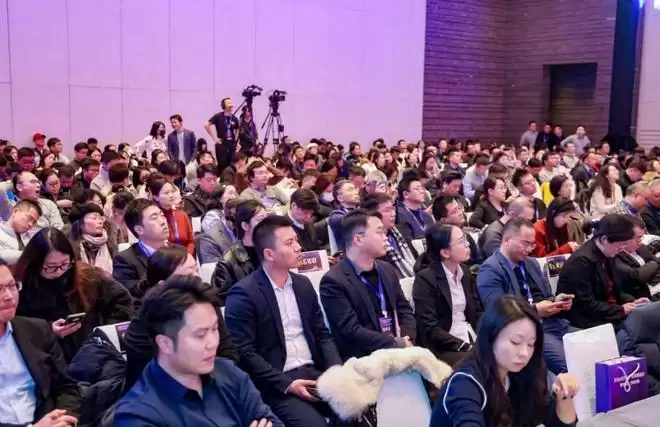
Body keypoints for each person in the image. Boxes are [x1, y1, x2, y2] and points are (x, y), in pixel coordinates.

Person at [114, 276, 283, 427]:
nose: (213, 343)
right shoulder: (137, 415)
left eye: (215, 329)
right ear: (165, 343)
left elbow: (272, 421)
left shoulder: (229, 372)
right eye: (200, 335)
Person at [225, 215, 341, 427]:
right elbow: (245, 352)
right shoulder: (243, 294)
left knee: (358, 409)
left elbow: (322, 334)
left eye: (296, 240)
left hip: (314, 371)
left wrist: (336, 370)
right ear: (269, 254)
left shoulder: (303, 284)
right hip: (277, 381)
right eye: (289, 243)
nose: (298, 247)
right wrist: (287, 384)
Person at [430, 296, 579, 427]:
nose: (524, 353)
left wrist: (564, 395)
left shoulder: (525, 372)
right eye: (515, 342)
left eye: (531, 344)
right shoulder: (465, 383)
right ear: (491, 337)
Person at [123, 245, 238, 389]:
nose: (197, 278)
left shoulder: (205, 303)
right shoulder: (143, 323)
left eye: (196, 270)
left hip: (216, 383)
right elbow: (148, 376)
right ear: (162, 285)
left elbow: (228, 351)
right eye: (189, 274)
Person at [14, 227, 132, 362]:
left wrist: (105, 332)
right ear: (35, 264)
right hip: (49, 360)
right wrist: (48, 332)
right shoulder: (18, 288)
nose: (59, 271)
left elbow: (120, 298)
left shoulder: (86, 277)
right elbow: (15, 329)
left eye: (64, 264)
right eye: (51, 267)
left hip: (94, 355)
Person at [477, 219, 576, 375]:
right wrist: (535, 310)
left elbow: (546, 296)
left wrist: (555, 302)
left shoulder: (531, 263)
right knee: (571, 367)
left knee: (598, 351)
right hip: (529, 333)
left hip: (555, 324)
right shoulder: (491, 270)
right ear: (507, 240)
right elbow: (497, 312)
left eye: (532, 245)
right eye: (525, 244)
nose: (529, 249)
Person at [320, 210, 416, 360]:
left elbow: (404, 309)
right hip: (365, 359)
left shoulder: (386, 269)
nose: (386, 238)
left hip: (400, 350)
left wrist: (407, 338)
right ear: (358, 239)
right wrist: (396, 343)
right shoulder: (333, 281)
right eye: (379, 232)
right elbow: (351, 330)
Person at [0, 258, 81, 427]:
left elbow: (66, 387)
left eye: (12, 286)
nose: (9, 296)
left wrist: (65, 420)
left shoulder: (37, 330)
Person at [556, 215, 651, 330]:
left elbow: (614, 290)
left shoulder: (608, 252)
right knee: (643, 328)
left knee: (650, 317)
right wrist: (621, 309)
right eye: (621, 244)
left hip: (606, 311)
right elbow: (586, 304)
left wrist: (632, 303)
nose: (622, 248)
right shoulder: (581, 262)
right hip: (586, 320)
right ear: (604, 239)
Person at [413, 224, 482, 366]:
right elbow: (430, 328)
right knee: (477, 362)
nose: (468, 244)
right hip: (443, 345)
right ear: (445, 252)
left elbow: (477, 311)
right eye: (461, 241)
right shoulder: (425, 279)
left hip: (469, 334)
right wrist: (464, 346)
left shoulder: (465, 272)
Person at [212, 200, 268, 302]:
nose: (267, 224)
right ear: (245, 226)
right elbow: (222, 300)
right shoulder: (227, 262)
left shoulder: (272, 249)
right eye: (260, 220)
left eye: (267, 218)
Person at [113, 199, 170, 291]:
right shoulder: (124, 260)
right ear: (139, 230)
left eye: (162, 215)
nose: (163, 221)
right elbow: (132, 294)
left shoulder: (178, 251)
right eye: (154, 218)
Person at [362, 192, 418, 278]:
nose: (393, 214)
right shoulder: (371, 242)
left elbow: (416, 258)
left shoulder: (401, 230)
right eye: (387, 210)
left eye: (392, 209)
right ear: (373, 215)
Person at [613, 219, 660, 301]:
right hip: (642, 297)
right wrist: (653, 263)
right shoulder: (615, 256)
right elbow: (638, 276)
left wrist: (652, 265)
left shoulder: (640, 246)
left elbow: (655, 261)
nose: (641, 240)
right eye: (638, 237)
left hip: (654, 284)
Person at [66, 202, 117, 277]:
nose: (100, 222)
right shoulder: (70, 246)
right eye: (94, 218)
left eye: (101, 218)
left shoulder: (110, 243)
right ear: (80, 224)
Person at [431, 196, 481, 266]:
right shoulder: (439, 242)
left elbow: (479, 260)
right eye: (454, 211)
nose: (460, 212)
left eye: (459, 208)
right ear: (443, 220)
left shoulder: (466, 236)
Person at [148, 179, 194, 254]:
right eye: (166, 193)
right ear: (156, 197)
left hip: (185, 256)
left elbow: (191, 241)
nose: (171, 195)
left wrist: (187, 256)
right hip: (164, 257)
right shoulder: (154, 219)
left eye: (172, 191)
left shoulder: (182, 215)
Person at [0, 199, 41, 264]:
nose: (30, 224)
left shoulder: (31, 237)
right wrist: (30, 254)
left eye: (34, 222)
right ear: (15, 211)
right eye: (29, 218)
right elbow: (1, 255)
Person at [396, 172, 435, 241]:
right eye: (417, 189)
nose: (422, 191)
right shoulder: (399, 215)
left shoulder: (426, 216)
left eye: (421, 188)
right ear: (406, 194)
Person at [205, 98, 241, 173]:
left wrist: (236, 141)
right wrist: (214, 138)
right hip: (222, 145)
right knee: (222, 166)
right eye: (228, 103)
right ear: (224, 106)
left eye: (231, 103)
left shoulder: (234, 118)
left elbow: (237, 130)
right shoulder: (218, 116)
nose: (231, 104)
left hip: (232, 145)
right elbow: (206, 125)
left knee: (232, 165)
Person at [327, 179, 360, 251]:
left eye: (355, 189)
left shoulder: (361, 209)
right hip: (349, 253)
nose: (356, 192)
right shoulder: (335, 215)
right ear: (340, 198)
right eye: (350, 190)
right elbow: (351, 220)